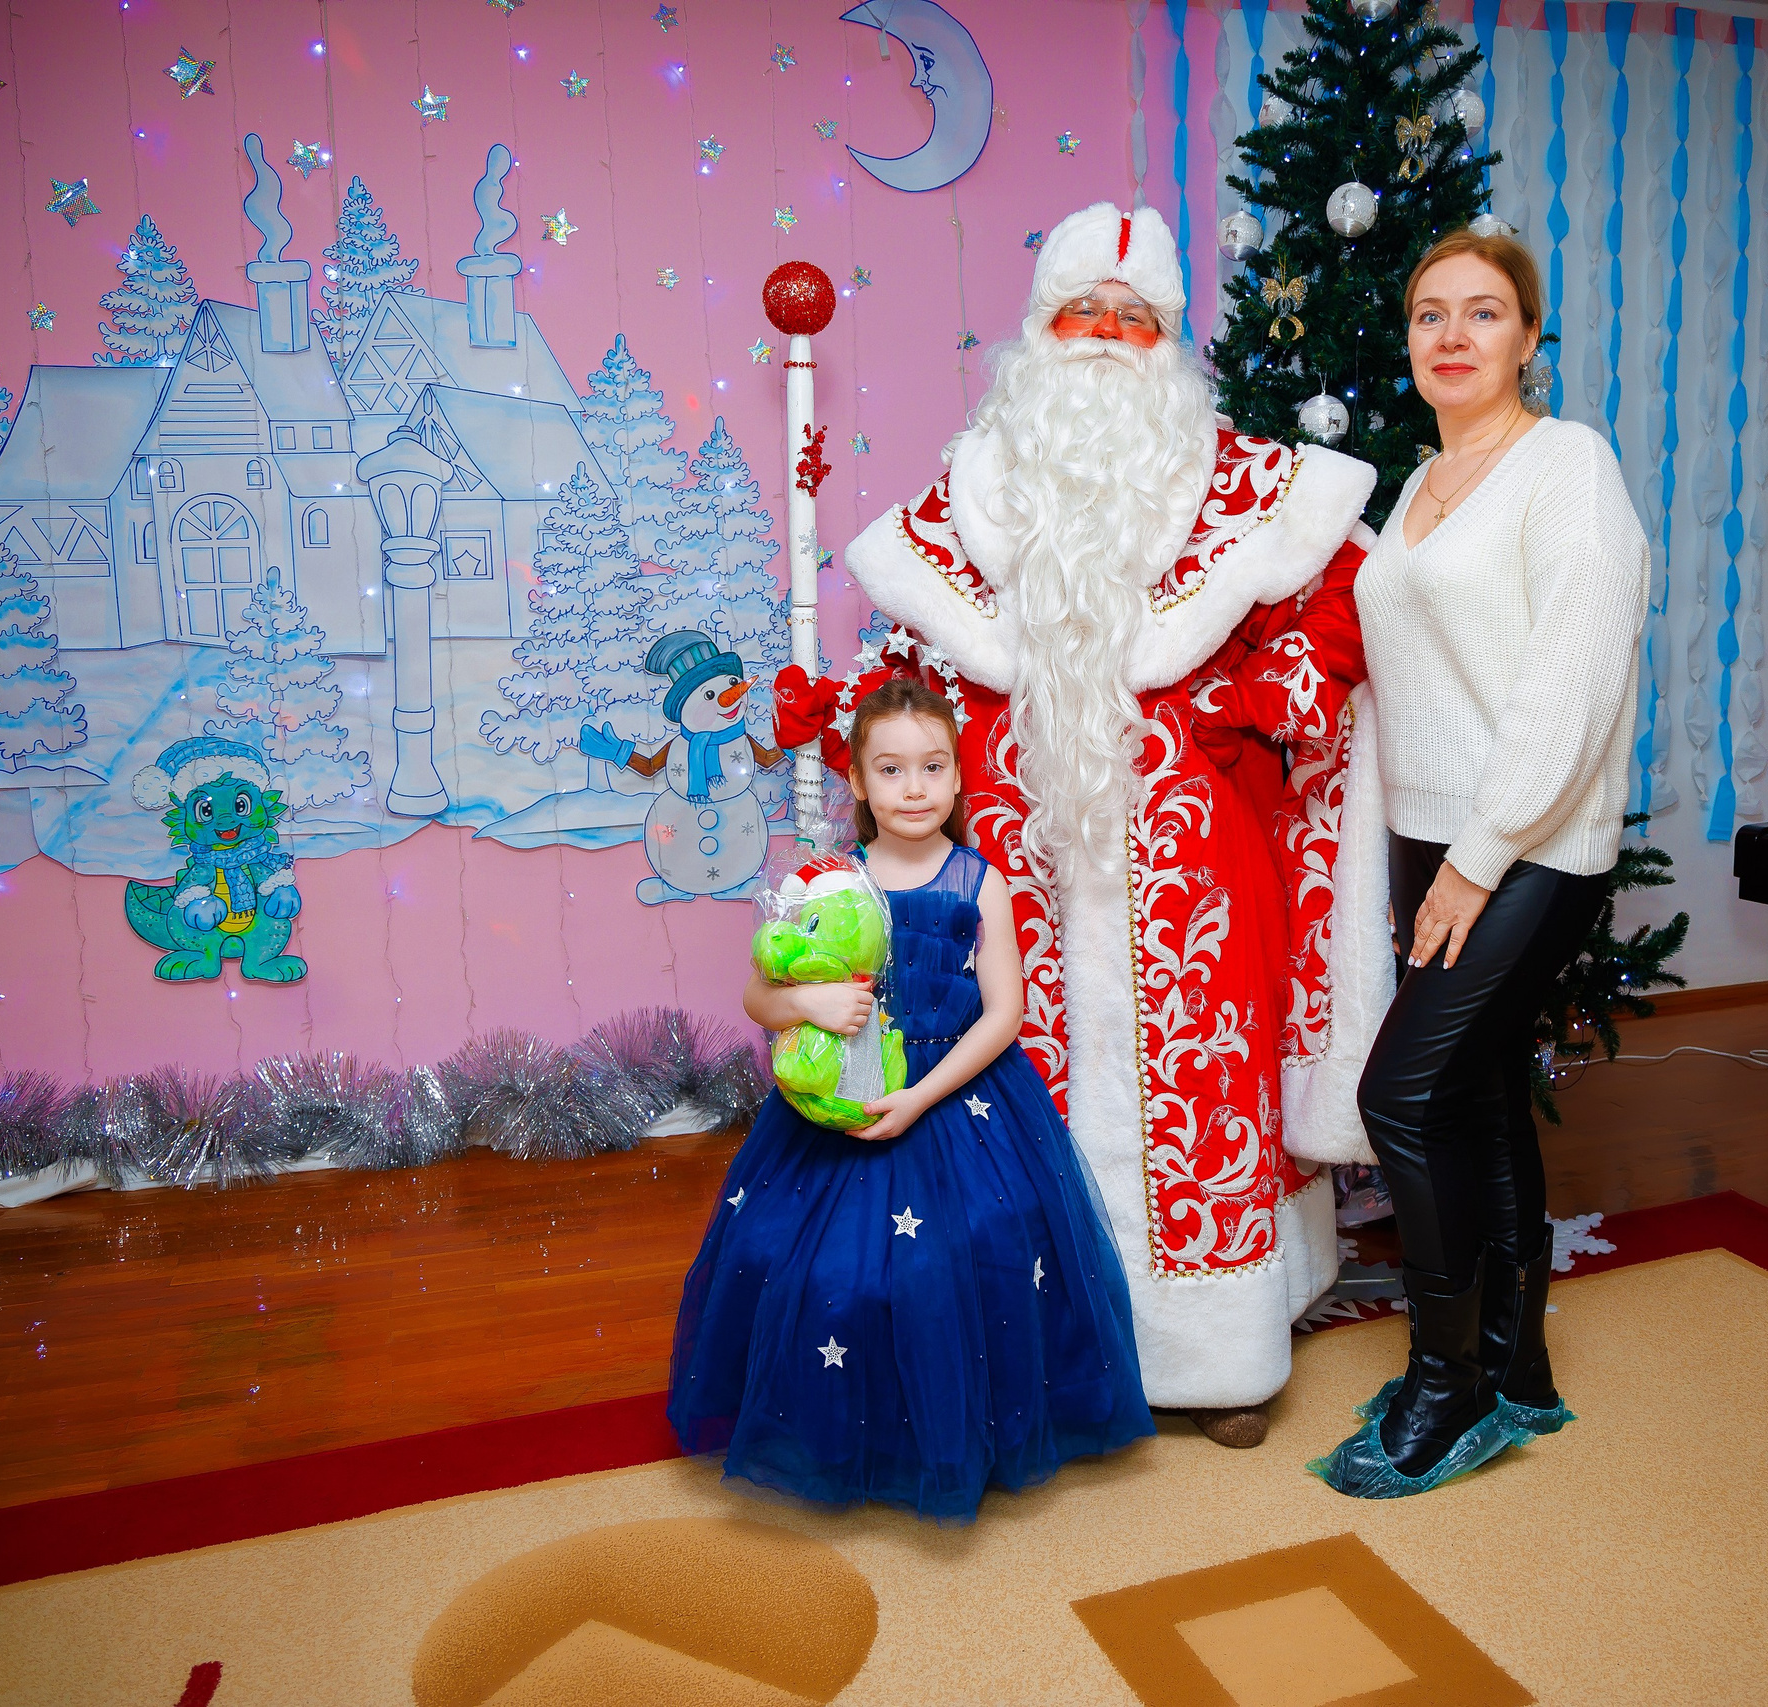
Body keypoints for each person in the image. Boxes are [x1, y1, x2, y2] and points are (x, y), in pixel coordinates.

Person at [771, 201, 1397, 1449]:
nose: (1106, 335)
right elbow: (909, 671)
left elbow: (1336, 605)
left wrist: (1264, 694)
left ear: (1169, 342)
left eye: (1134, 317)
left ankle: (1217, 1361)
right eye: (1081, 313)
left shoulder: (1249, 487)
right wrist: (840, 713)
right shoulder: (968, 495)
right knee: (1024, 1094)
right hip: (1021, 867)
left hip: (1192, 867)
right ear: (1037, 332)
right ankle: (1051, 1354)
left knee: (1203, 1092)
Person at [1311, 227, 1650, 1499]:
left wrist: (1478, 857)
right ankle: (1516, 1365)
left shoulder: (1568, 467)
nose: (1452, 335)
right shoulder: (1418, 483)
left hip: (1528, 842)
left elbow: (1570, 682)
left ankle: (1444, 1381)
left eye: (1483, 312)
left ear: (1527, 336)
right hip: (1428, 834)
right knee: (1481, 1092)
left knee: (1402, 1098)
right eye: (1429, 314)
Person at [668, 677, 1153, 1522]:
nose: (915, 787)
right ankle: (850, 1433)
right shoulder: (829, 882)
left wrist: (920, 1096)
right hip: (843, 1099)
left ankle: (965, 1433)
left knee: (970, 1260)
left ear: (958, 777)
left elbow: (1004, 1014)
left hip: (957, 1098)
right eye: (891, 770)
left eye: (933, 767)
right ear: (857, 781)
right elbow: (759, 997)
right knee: (821, 1268)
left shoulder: (978, 882)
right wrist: (810, 1002)